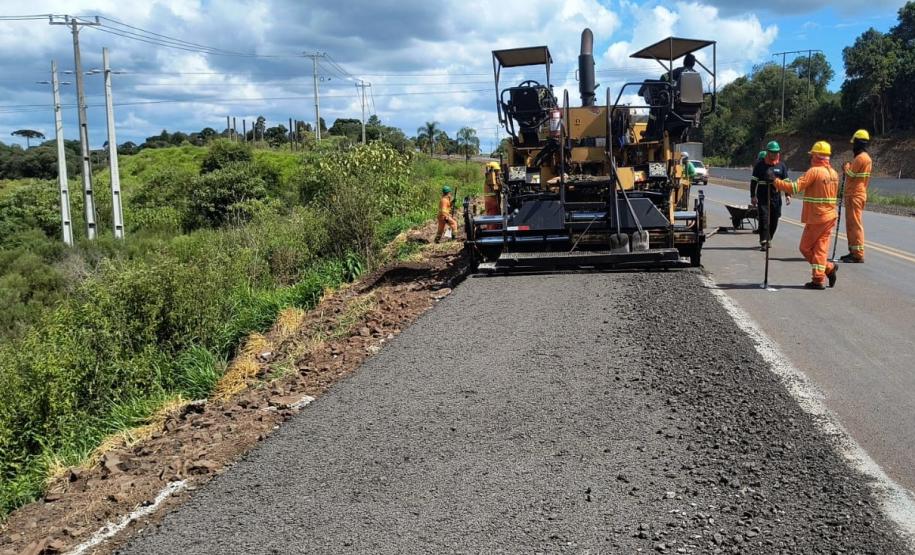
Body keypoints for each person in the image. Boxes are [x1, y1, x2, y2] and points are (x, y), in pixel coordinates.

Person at [770, 141, 839, 290]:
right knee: (820, 249)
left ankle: (825, 271)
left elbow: (794, 188)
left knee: (805, 248)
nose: (811, 158)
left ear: (816, 156)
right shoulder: (834, 173)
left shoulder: (814, 171)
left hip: (817, 217)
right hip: (830, 216)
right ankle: (821, 275)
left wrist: (775, 181)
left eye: (812, 155)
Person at [750, 141, 790, 251]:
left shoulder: (781, 166)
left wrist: (787, 195)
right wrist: (753, 196)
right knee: (764, 218)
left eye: (776, 152)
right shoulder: (760, 165)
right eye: (772, 152)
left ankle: (769, 238)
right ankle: (763, 241)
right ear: (768, 152)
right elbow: (753, 182)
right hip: (763, 196)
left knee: (774, 220)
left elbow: (786, 182)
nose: (774, 154)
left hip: (776, 197)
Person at [840, 129, 872, 263]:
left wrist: (846, 166)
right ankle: (853, 251)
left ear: (859, 143)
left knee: (855, 225)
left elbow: (851, 175)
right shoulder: (865, 158)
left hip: (855, 195)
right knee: (851, 225)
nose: (853, 147)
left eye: (855, 144)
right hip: (854, 194)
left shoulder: (861, 158)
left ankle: (858, 253)